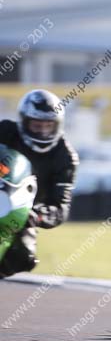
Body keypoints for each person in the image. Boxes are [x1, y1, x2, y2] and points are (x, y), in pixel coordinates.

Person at [0, 89, 79, 278]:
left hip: (22, 213)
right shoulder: (5, 131)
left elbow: (61, 207)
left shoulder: (65, 157)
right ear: (25, 122)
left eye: (48, 126)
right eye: (37, 126)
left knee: (23, 258)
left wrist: (37, 216)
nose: (43, 131)